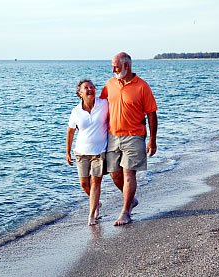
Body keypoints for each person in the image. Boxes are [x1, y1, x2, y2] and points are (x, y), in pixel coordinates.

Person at [100, 52, 158, 226]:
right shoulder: (110, 84)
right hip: (112, 136)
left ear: (127, 66)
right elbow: (99, 107)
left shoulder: (142, 86)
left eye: (116, 66)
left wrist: (152, 140)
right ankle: (131, 199)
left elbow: (152, 114)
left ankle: (126, 212)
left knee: (128, 173)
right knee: (114, 173)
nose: (113, 69)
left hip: (134, 136)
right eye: (112, 66)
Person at [66, 79, 109, 226]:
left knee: (95, 182)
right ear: (80, 93)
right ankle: (96, 202)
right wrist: (68, 152)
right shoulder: (76, 111)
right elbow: (71, 132)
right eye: (86, 88)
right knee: (84, 183)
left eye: (92, 87)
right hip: (81, 152)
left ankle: (92, 215)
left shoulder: (104, 104)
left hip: (99, 152)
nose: (90, 89)